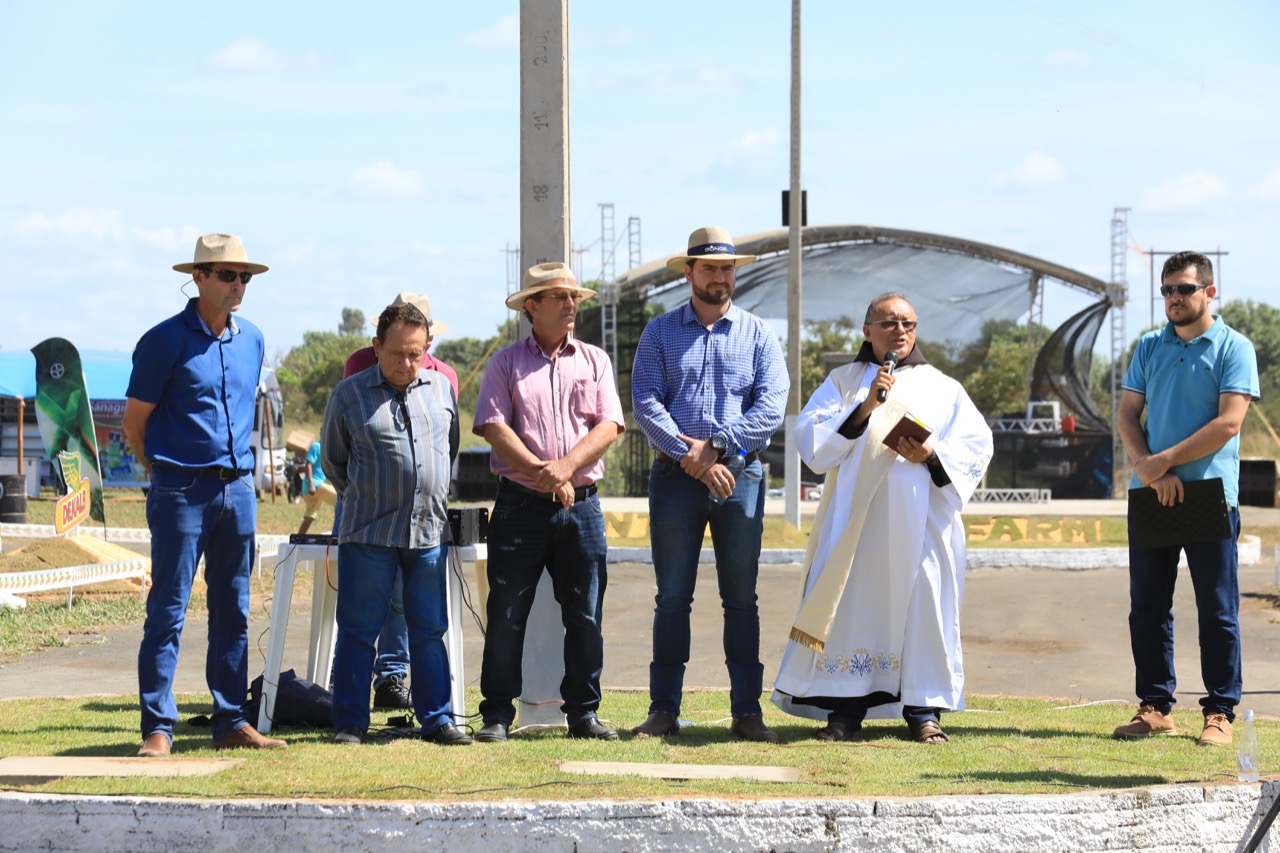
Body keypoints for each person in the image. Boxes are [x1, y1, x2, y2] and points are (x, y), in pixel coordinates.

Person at [770, 293, 993, 744]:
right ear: (867, 330)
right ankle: (846, 711)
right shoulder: (843, 381)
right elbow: (812, 443)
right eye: (888, 322)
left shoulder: (944, 387)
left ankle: (924, 711)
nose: (899, 331)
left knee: (924, 609)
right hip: (858, 526)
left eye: (908, 322)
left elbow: (976, 445)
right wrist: (867, 406)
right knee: (854, 612)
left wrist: (932, 455)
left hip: (923, 525)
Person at [124, 233, 286, 756]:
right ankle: (158, 728)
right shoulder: (163, 340)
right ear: (197, 277)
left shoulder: (254, 339)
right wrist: (164, 472)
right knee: (169, 609)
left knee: (234, 608)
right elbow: (135, 424)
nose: (238, 285)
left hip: (237, 490)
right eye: (227, 275)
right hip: (180, 488)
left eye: (245, 277)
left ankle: (232, 720)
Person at [630, 226, 788, 743]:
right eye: (709, 269)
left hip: (740, 476)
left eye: (727, 269)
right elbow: (646, 404)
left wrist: (716, 447)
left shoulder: (759, 334)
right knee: (671, 598)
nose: (720, 277)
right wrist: (692, 458)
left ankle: (747, 710)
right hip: (675, 479)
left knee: (741, 598)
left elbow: (771, 406)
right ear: (689, 273)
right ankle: (663, 711)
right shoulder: (659, 332)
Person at [472, 262, 625, 742]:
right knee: (507, 613)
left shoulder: (595, 360)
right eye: (559, 297)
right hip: (520, 505)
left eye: (573, 297)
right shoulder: (505, 363)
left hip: (581, 506)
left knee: (585, 614)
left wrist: (564, 469)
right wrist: (544, 474)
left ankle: (583, 712)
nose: (571, 305)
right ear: (532, 307)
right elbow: (494, 428)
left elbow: (608, 426)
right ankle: (497, 714)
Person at [1113, 251, 1259, 746]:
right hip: (1151, 493)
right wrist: (1151, 472)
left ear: (1209, 292)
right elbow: (1128, 415)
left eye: (1185, 289)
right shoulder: (1150, 346)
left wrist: (1163, 461)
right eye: (1168, 290)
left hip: (1211, 495)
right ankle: (1155, 707)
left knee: (1217, 608)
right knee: (1147, 607)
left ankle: (1219, 711)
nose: (1174, 298)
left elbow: (1228, 423)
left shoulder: (1234, 347)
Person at [321, 300, 468, 745]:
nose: (407, 363)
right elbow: (334, 463)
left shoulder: (442, 389)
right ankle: (349, 722)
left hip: (426, 533)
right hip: (368, 532)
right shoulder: (349, 395)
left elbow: (451, 448)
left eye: (416, 353)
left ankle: (437, 719)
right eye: (398, 353)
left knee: (429, 629)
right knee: (359, 629)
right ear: (376, 346)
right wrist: (379, 493)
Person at [295, 438, 336, 536]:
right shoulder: (316, 446)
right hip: (314, 485)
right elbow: (308, 465)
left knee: (309, 517)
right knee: (340, 499)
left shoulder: (326, 449)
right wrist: (311, 485)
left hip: (312, 486)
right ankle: (337, 533)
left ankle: (298, 539)